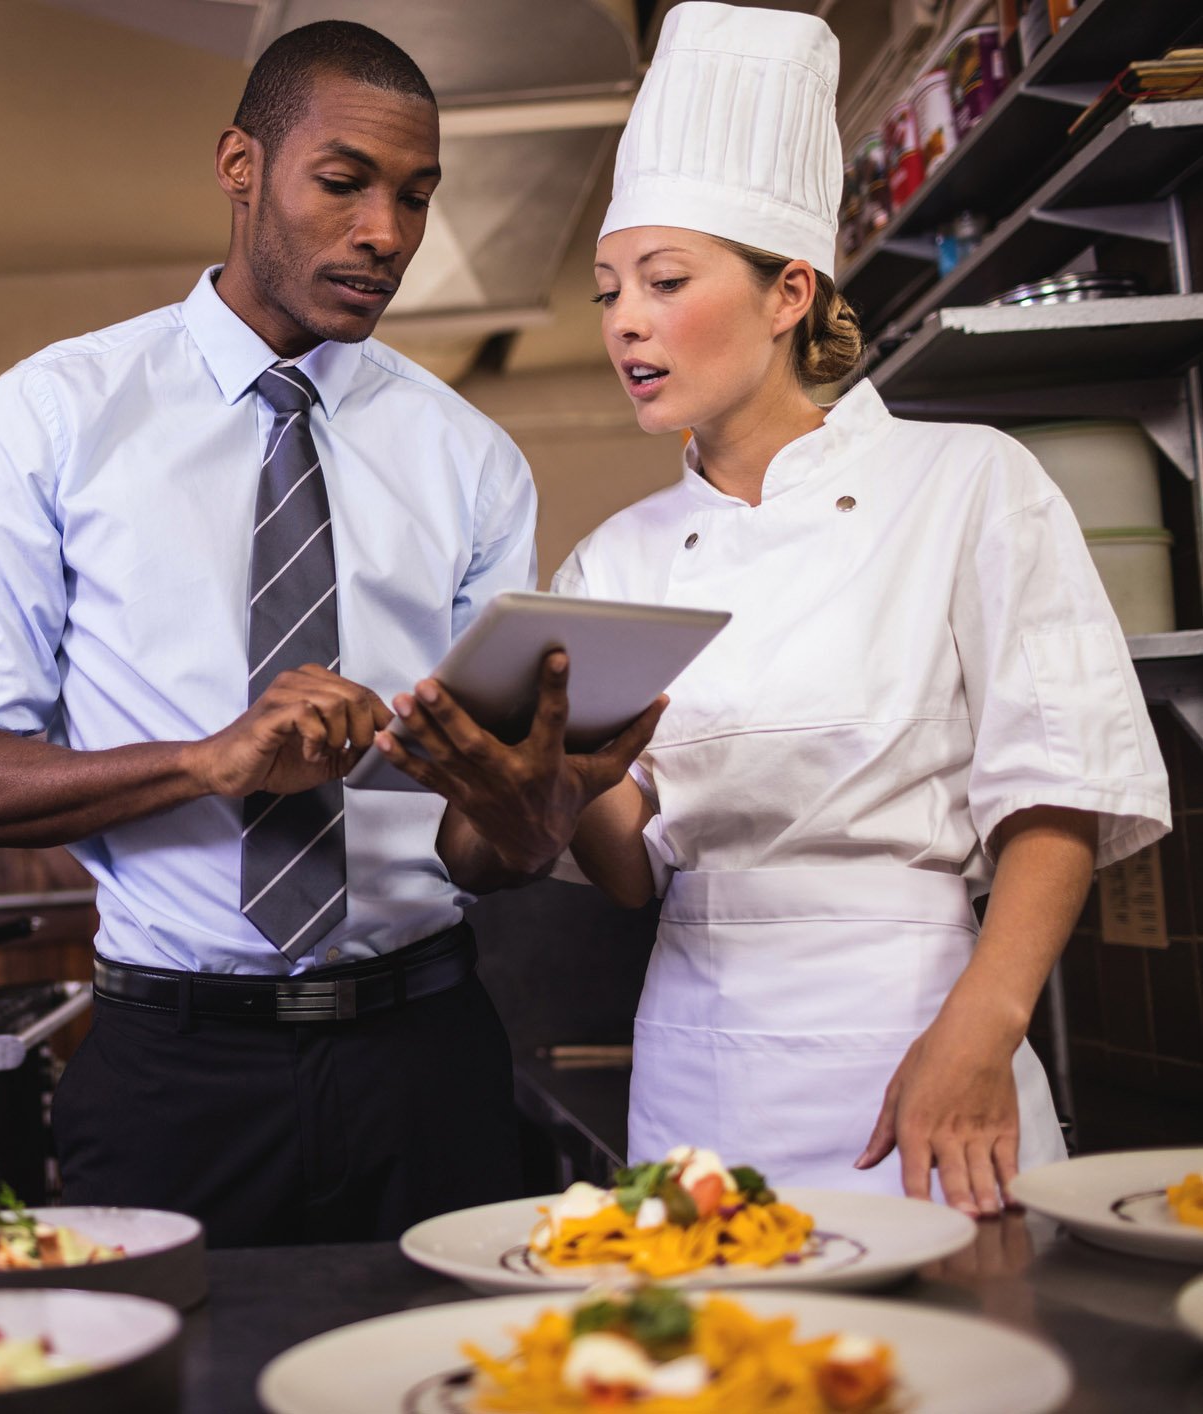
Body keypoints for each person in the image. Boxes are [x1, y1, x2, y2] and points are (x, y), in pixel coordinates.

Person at [374, 2, 1170, 1216]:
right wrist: (547, 788)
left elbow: (1055, 785)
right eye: (606, 292)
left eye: (664, 281)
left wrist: (981, 1028)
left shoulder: (965, 486)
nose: (624, 321)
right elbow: (630, 868)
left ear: (789, 291)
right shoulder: (614, 561)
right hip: (701, 1071)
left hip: (925, 1043)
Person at [0, 20, 659, 1246]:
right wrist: (210, 761)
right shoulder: (56, 414)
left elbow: (478, 851)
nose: (386, 235)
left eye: (416, 198)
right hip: (167, 1072)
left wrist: (534, 809)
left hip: (426, 1057)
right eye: (344, 182)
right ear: (239, 164)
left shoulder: (469, 461)